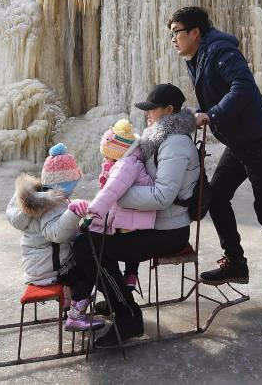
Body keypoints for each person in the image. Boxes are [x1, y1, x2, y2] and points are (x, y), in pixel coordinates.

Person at [167, 6, 262, 311]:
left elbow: (243, 87)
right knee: (216, 197)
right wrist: (198, 112)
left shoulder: (219, 49)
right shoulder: (199, 56)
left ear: (195, 32)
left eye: (177, 31)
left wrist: (213, 114)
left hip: (261, 142)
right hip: (240, 143)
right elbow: (215, 95)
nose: (173, 39)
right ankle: (235, 262)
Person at [71, 83, 199, 347]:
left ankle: (128, 315)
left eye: (152, 109)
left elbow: (163, 196)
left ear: (169, 110)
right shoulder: (160, 138)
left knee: (88, 246)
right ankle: (117, 296)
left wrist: (115, 196)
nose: (147, 114)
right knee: (91, 238)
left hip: (168, 232)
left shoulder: (175, 144)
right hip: (155, 226)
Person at [5, 144, 103, 331]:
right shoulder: (52, 204)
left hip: (36, 268)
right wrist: (73, 213)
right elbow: (55, 234)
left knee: (80, 263)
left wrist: (79, 227)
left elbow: (50, 238)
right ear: (65, 185)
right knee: (89, 273)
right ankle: (75, 315)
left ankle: (68, 301)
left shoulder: (33, 200)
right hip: (52, 270)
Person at [91, 118, 157, 290]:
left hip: (134, 216)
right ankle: (129, 276)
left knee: (104, 237)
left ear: (117, 152)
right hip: (135, 214)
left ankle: (125, 278)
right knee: (112, 231)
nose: (105, 157)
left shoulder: (126, 165)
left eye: (107, 154)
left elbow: (111, 191)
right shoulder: (128, 161)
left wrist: (93, 212)